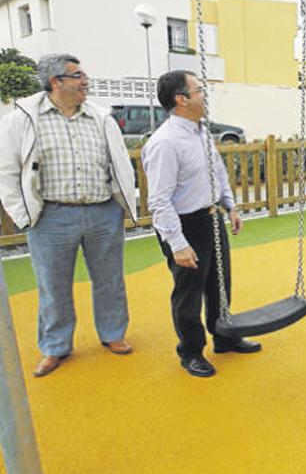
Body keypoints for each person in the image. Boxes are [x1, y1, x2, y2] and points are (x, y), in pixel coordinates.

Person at [0, 53, 137, 377]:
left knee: (110, 280)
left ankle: (113, 334)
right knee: (52, 286)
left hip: (103, 211)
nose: (85, 79)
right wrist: (24, 216)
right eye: (77, 75)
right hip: (50, 217)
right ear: (55, 81)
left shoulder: (100, 117)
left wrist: (124, 203)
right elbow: (5, 171)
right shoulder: (22, 118)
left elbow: (119, 162)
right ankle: (55, 347)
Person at [142, 70, 258, 378]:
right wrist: (177, 244)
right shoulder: (165, 143)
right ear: (181, 100)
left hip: (210, 217)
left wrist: (229, 205)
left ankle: (224, 337)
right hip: (183, 224)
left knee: (220, 283)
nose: (204, 96)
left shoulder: (200, 131)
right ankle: (191, 352)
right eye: (199, 91)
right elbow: (159, 201)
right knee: (189, 292)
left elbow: (216, 170)